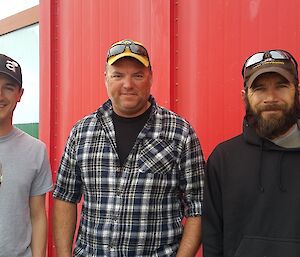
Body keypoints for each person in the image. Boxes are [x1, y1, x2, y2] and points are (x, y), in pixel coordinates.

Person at [53, 39, 205, 257]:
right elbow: (65, 196)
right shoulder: (82, 132)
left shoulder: (179, 132)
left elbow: (198, 205)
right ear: (105, 78)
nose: (128, 84)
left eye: (137, 75)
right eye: (117, 75)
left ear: (150, 78)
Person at [203, 49, 300, 257]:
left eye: (281, 86)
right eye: (260, 89)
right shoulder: (223, 159)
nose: (271, 98)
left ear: (297, 90)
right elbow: (212, 240)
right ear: (245, 96)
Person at [0, 54, 53, 257]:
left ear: (19, 94)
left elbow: (38, 214)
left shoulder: (35, 150)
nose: (1, 95)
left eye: (8, 87)